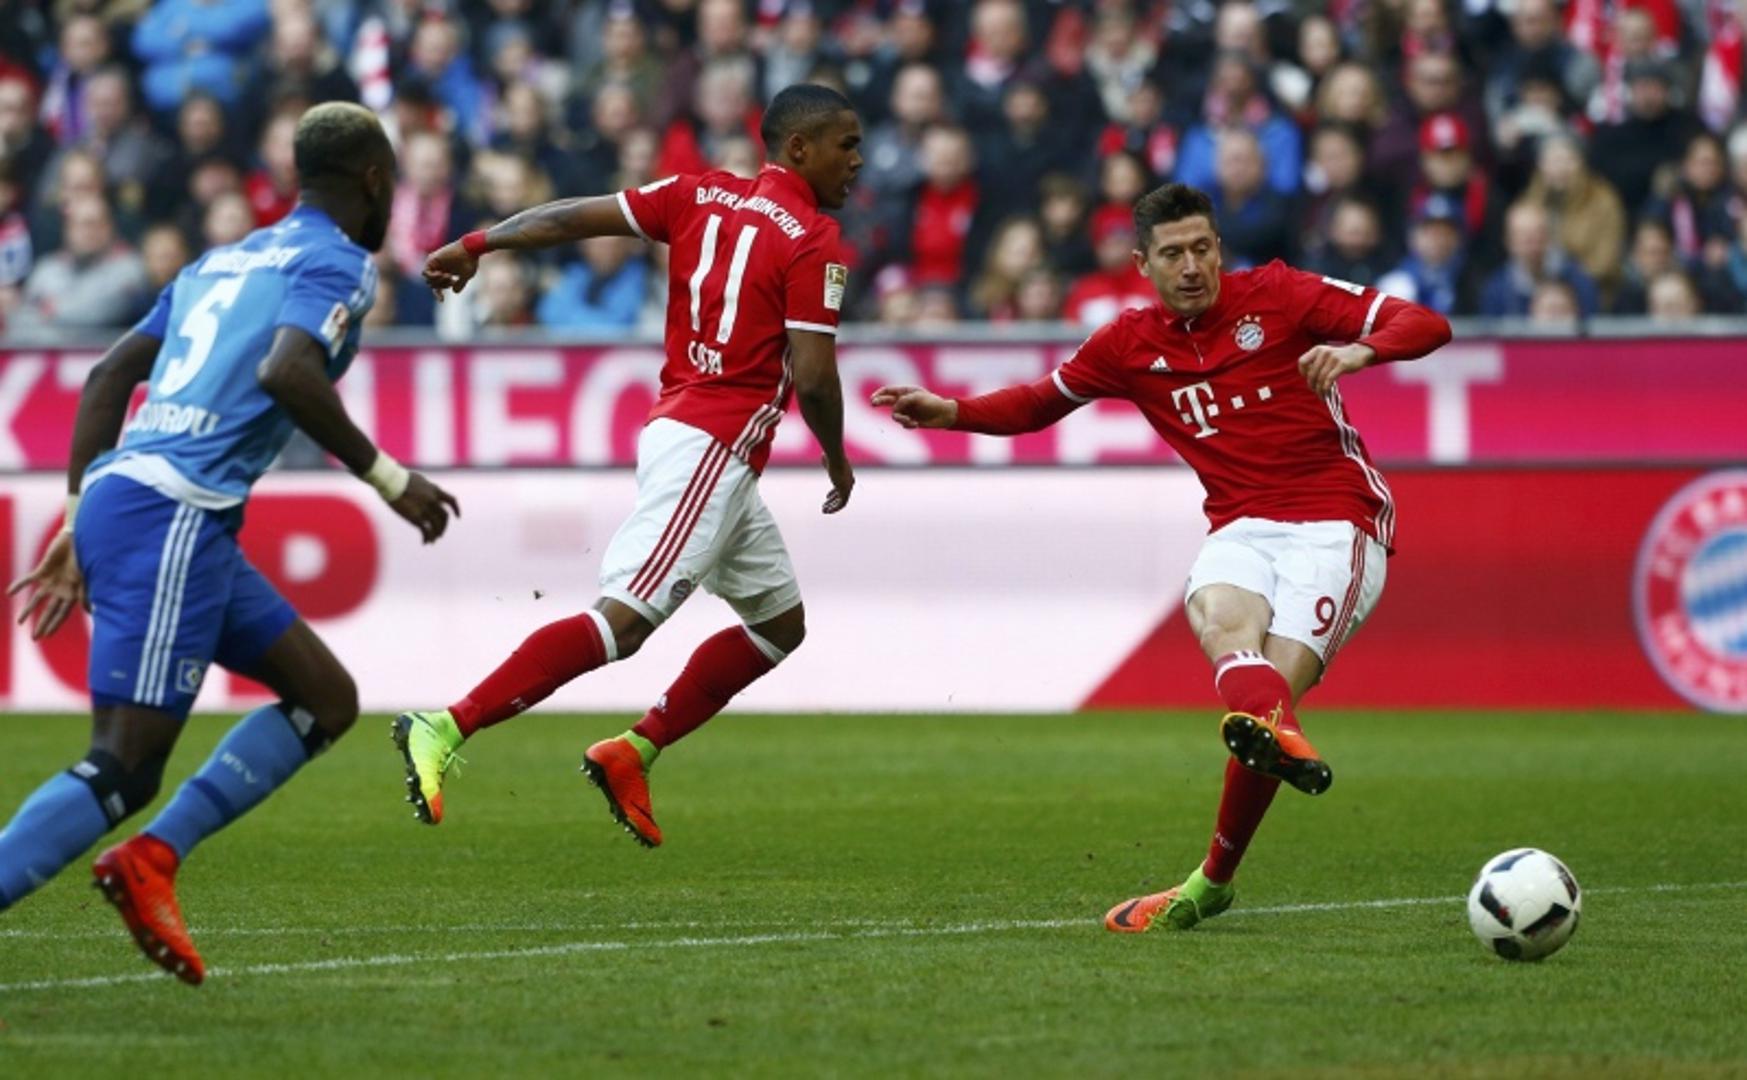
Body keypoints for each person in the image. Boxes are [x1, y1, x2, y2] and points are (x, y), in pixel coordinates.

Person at [871, 183, 1450, 934]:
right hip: (1240, 525)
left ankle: (1212, 880)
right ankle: (1265, 752)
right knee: (1224, 631)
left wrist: (1357, 349)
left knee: (1267, 704)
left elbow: (1425, 322)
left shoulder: (1280, 293)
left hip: (1337, 521)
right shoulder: (1127, 343)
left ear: (1219, 248)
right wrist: (951, 412)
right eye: (1172, 254)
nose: (1191, 266)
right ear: (1142, 264)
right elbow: (1040, 402)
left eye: (1202, 248)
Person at [0, 103, 459, 984]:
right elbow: (285, 370)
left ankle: (154, 858)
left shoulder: (219, 260)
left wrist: (76, 516)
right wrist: (389, 478)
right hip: (170, 510)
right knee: (122, 766)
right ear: (374, 180)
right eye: (392, 182)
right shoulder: (336, 262)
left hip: (162, 510)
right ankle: (134, 849)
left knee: (324, 699)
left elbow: (106, 376)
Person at [401, 84, 862, 846]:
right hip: (711, 448)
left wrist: (479, 243)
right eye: (845, 145)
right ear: (797, 148)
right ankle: (446, 724)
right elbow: (813, 377)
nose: (856, 161)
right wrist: (837, 458)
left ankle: (632, 750)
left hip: (686, 434)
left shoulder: (697, 193)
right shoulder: (813, 240)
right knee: (622, 624)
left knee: (779, 625)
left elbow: (571, 218)